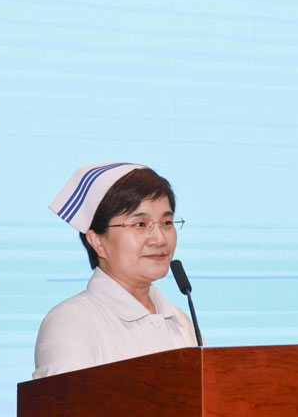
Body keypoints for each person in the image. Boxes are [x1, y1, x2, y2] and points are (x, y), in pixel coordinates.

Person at [32, 162, 198, 379]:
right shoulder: (70, 322)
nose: (159, 239)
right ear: (97, 241)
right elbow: (68, 401)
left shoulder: (182, 322)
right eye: (140, 224)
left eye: (166, 222)